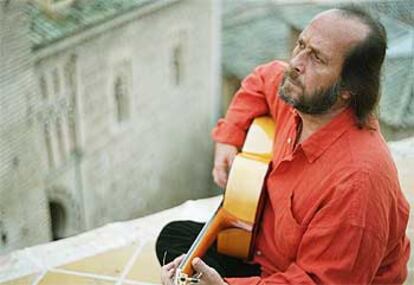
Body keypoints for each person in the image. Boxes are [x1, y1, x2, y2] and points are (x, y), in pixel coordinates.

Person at [156, 5, 410, 285]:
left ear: (349, 89)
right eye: (301, 44)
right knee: (173, 240)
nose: (296, 63)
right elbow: (262, 78)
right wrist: (229, 136)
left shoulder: (358, 184)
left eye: (317, 58)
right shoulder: (303, 99)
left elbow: (319, 281)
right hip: (265, 248)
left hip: (302, 275)